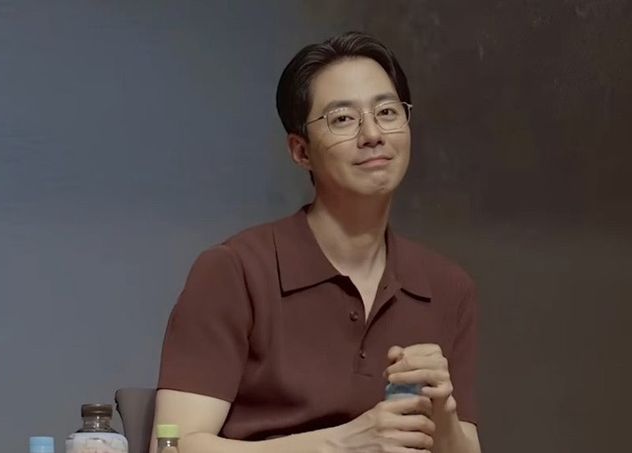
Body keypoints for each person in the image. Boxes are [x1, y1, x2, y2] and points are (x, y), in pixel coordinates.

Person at [151, 31, 481, 453]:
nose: (372, 134)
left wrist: (444, 416)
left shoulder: (448, 288)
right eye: (343, 119)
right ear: (301, 151)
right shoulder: (234, 271)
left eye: (387, 112)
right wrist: (343, 444)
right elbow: (172, 447)